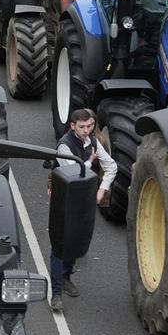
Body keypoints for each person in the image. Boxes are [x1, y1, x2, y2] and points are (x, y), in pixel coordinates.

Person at [49, 108, 116, 311]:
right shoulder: (64, 146)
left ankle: (66, 276)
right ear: (72, 126)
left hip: (83, 195)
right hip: (63, 197)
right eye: (82, 127)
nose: (87, 130)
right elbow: (73, 172)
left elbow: (111, 166)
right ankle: (56, 292)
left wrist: (102, 189)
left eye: (90, 126)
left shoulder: (93, 142)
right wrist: (90, 161)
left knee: (77, 238)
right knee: (60, 245)